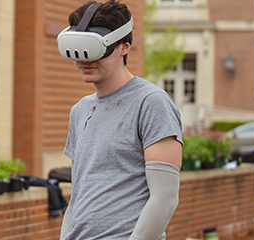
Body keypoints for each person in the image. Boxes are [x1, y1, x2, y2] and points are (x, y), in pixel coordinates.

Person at [57, 1, 184, 239]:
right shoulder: (80, 110)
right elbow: (79, 193)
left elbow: (165, 198)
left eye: (95, 50)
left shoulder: (151, 102)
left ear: (124, 46)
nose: (85, 60)